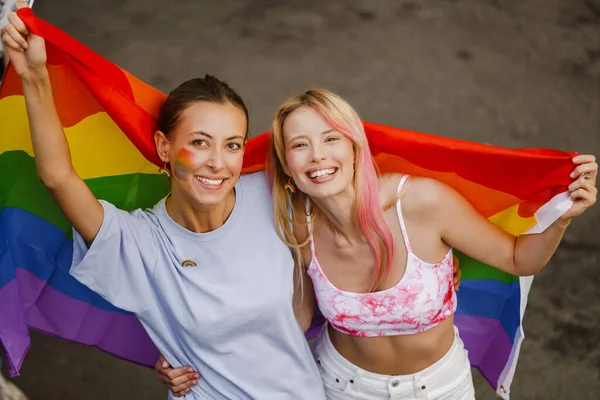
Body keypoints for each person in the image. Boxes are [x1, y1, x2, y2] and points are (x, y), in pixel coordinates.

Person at [159, 88, 597, 399]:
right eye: (299, 145)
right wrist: (188, 357)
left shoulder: (420, 203)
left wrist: (562, 217)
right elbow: (287, 318)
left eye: (331, 138)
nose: (318, 156)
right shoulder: (295, 226)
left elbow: (519, 258)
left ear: (355, 148)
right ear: (286, 168)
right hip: (339, 387)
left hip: (439, 389)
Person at [1, 4, 327, 399]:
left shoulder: (273, 195)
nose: (217, 163)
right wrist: (34, 76)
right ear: (164, 147)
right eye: (199, 143)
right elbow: (57, 177)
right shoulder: (138, 242)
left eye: (233, 146)